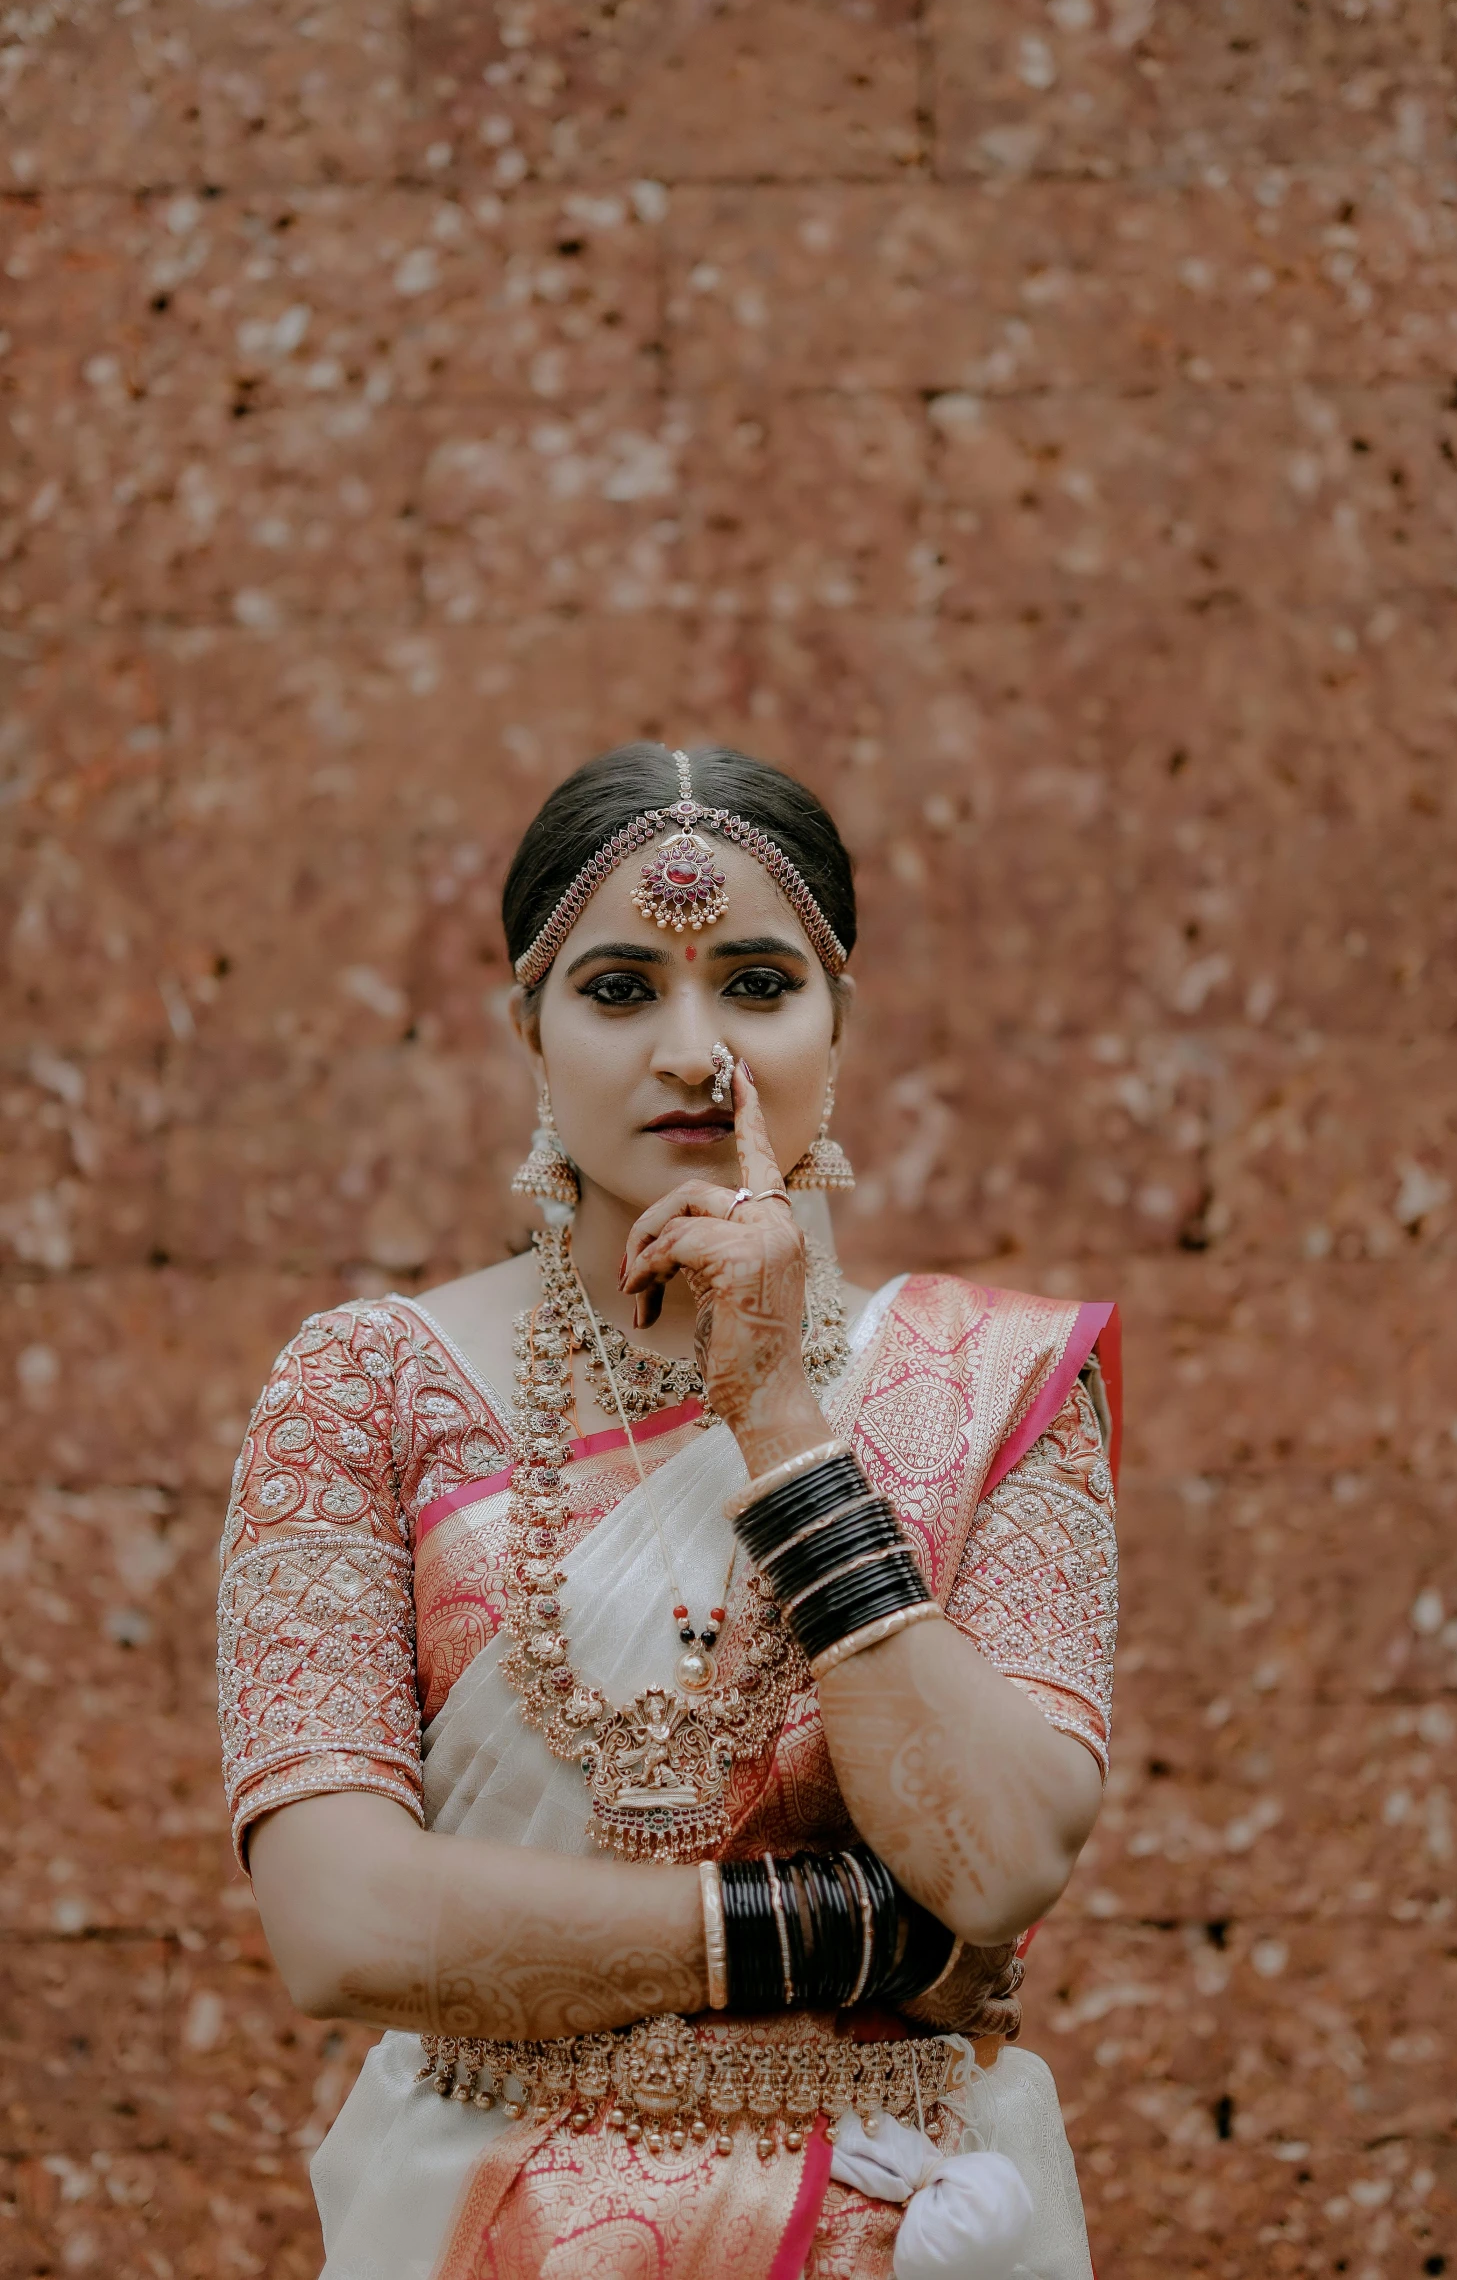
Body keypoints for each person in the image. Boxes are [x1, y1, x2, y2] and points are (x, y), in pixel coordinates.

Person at [218, 743, 1121, 2280]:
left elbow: (996, 1858)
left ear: (837, 1024)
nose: (695, 1051)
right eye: (621, 987)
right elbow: (342, 1920)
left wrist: (775, 1413)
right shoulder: (368, 1384)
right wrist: (843, 1933)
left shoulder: (993, 1381)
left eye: (759, 983)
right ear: (529, 1026)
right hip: (489, 2230)